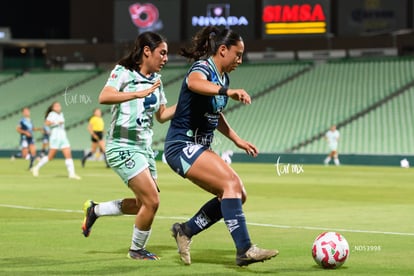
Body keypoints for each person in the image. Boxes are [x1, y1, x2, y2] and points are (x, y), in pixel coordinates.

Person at [163, 26, 278, 267]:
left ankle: (185, 230)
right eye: (237, 54)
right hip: (181, 145)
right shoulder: (203, 68)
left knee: (237, 194)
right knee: (231, 185)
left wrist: (237, 139)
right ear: (223, 50)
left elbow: (216, 113)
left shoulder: (224, 77)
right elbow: (194, 84)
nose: (240, 60)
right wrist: (228, 91)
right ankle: (245, 249)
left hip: (199, 146)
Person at [81, 31, 175, 261]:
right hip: (121, 145)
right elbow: (104, 96)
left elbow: (162, 115)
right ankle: (136, 250)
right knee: (153, 201)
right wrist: (136, 93)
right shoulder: (123, 72)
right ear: (146, 51)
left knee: (143, 204)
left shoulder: (157, 81)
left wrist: (188, 104)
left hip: (144, 149)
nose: (166, 58)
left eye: (166, 54)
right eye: (162, 53)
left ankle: (95, 210)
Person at [31, 101, 81, 179]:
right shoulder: (52, 114)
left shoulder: (61, 114)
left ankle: (72, 174)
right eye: (56, 106)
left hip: (63, 136)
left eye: (59, 105)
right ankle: (36, 168)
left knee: (68, 154)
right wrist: (56, 122)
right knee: (50, 157)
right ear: (53, 108)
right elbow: (46, 123)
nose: (58, 107)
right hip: (55, 136)